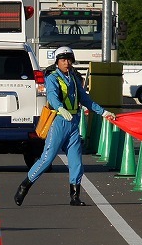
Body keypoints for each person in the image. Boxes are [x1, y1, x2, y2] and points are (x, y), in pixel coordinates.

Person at [14, 46, 116, 207]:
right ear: (57, 62)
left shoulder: (74, 78)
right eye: (63, 60)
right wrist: (60, 108)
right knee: (47, 159)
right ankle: (24, 186)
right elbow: (53, 96)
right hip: (59, 121)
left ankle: (74, 196)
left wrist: (103, 112)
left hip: (74, 123)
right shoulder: (52, 77)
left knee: (76, 161)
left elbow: (85, 99)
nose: (66, 63)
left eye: (69, 59)